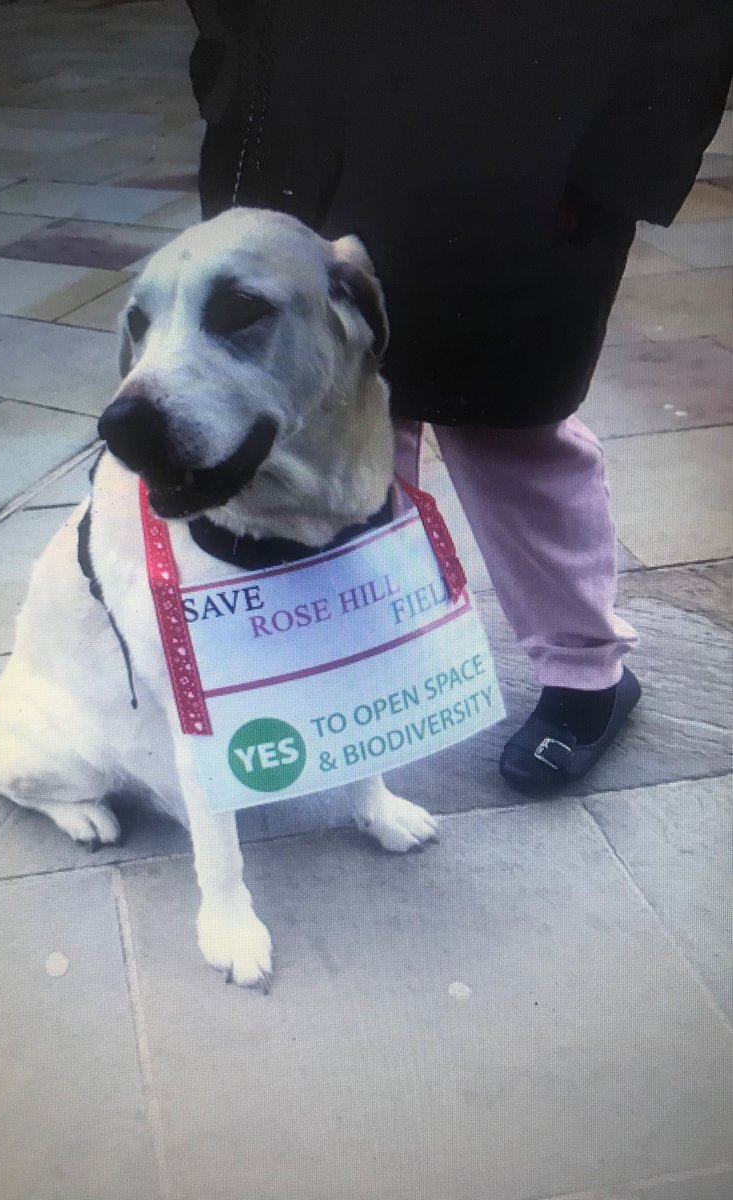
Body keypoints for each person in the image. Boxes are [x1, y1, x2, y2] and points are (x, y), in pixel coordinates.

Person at [184, 0, 733, 792]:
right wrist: (241, 99)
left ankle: (587, 671)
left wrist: (617, 162)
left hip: (528, 139)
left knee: (513, 430)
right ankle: (356, 662)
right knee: (344, 426)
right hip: (312, 122)